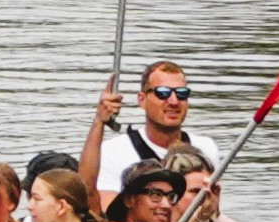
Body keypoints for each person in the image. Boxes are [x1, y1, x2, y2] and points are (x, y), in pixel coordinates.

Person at [79, 61, 199, 205]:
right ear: (142, 100)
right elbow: (91, 201)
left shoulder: (205, 148)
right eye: (163, 93)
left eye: (181, 93)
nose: (174, 101)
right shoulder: (113, 152)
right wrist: (99, 120)